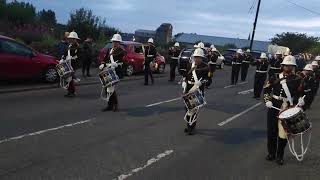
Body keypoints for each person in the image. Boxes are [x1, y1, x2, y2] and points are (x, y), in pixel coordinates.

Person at [264, 55, 304, 165]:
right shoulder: (275, 76)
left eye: (291, 66)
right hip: (274, 106)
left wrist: (300, 101)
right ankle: (271, 153)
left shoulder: (297, 79)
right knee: (271, 131)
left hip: (288, 107)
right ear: (282, 65)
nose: (288, 67)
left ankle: (280, 155)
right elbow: (266, 89)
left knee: (283, 134)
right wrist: (267, 100)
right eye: (286, 65)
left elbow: (300, 93)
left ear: (294, 67)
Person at [182, 48, 209, 135]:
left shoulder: (205, 67)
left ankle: (191, 127)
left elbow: (208, 79)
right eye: (195, 57)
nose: (196, 59)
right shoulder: (190, 64)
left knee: (193, 109)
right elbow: (186, 75)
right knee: (187, 109)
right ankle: (189, 125)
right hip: (188, 89)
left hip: (197, 90)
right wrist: (184, 83)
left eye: (198, 57)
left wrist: (200, 83)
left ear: (202, 58)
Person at [100, 33, 126, 112]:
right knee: (107, 87)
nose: (115, 43)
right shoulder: (109, 50)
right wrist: (102, 64)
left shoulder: (122, 51)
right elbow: (105, 59)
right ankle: (109, 105)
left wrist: (117, 64)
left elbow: (124, 62)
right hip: (108, 70)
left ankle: (115, 105)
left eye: (116, 42)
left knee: (111, 88)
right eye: (114, 42)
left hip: (116, 71)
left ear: (119, 43)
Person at [63, 31, 80, 97]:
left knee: (70, 78)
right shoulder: (69, 45)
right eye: (70, 38)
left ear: (75, 39)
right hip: (68, 63)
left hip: (73, 64)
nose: (71, 40)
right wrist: (63, 57)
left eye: (72, 38)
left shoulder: (77, 46)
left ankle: (72, 92)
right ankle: (69, 91)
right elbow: (66, 53)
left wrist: (73, 58)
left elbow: (79, 56)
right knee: (68, 78)